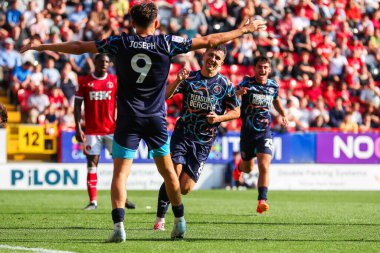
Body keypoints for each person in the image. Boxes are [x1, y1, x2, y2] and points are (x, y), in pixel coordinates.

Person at [20, 1, 266, 242]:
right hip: (155, 118)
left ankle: (119, 226)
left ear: (132, 22)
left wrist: (42, 46)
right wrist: (244, 30)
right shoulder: (166, 43)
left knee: (120, 173)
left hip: (128, 118)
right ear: (156, 22)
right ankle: (179, 221)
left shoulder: (120, 42)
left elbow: (79, 46)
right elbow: (211, 40)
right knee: (169, 171)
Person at [154, 45, 240, 231]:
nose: (213, 60)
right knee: (173, 176)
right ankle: (160, 218)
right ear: (203, 55)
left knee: (185, 188)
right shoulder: (190, 78)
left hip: (204, 141)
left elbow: (237, 111)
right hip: (183, 134)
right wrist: (177, 80)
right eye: (210, 55)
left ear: (222, 62)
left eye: (217, 57)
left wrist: (219, 118)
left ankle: (169, 210)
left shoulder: (225, 85)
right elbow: (163, 97)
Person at [74, 53, 135, 211]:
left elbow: (122, 103)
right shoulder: (85, 82)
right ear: (94, 62)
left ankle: (123, 197)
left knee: (120, 164)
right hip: (92, 131)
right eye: (101, 61)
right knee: (92, 163)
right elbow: (77, 106)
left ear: (110, 64)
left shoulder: (114, 81)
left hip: (111, 130)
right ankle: (93, 201)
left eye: (107, 61)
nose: (104, 63)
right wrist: (78, 127)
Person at [235, 56, 288, 214]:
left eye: (265, 67)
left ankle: (262, 201)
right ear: (255, 68)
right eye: (260, 67)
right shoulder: (247, 83)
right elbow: (230, 94)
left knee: (264, 166)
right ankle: (239, 168)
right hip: (247, 133)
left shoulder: (273, 86)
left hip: (265, 132)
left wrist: (283, 114)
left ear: (269, 69)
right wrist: (239, 92)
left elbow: (276, 100)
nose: (262, 70)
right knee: (248, 169)